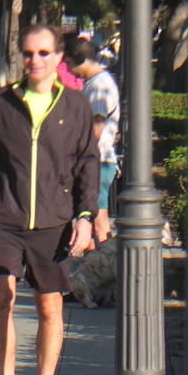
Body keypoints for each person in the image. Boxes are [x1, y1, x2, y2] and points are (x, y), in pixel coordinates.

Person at [0, 23, 98, 375]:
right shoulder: (3, 102)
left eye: (43, 53)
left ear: (58, 57)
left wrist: (86, 216)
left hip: (54, 221)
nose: (34, 60)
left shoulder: (75, 106)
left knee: (49, 305)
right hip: (6, 217)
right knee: (0, 296)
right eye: (28, 53)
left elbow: (87, 164)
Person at [66, 35, 122, 243]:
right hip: (95, 160)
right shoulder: (94, 83)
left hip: (98, 160)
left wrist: (75, 153)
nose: (68, 69)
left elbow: (95, 129)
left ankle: (106, 257)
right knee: (89, 220)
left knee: (98, 220)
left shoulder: (99, 86)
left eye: (69, 63)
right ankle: (92, 257)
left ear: (78, 59)